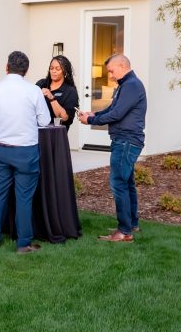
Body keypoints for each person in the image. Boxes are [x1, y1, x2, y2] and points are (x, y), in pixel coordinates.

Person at [0, 51, 52, 254]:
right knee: (24, 198)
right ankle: (23, 244)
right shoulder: (33, 91)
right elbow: (45, 121)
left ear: (6, 67)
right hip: (26, 152)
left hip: (1, 149)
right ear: (26, 70)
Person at [76, 54, 146, 242]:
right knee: (127, 182)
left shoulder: (131, 85)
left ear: (122, 66)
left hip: (126, 141)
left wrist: (91, 120)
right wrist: (94, 113)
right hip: (125, 140)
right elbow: (112, 108)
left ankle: (124, 232)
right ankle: (131, 224)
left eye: (112, 71)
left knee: (118, 183)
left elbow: (116, 114)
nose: (111, 75)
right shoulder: (127, 85)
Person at [36, 55, 79, 131]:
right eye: (51, 68)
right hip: (37, 131)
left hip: (56, 134)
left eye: (57, 69)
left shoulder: (70, 91)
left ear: (64, 71)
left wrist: (51, 97)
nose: (53, 71)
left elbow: (64, 118)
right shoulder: (41, 83)